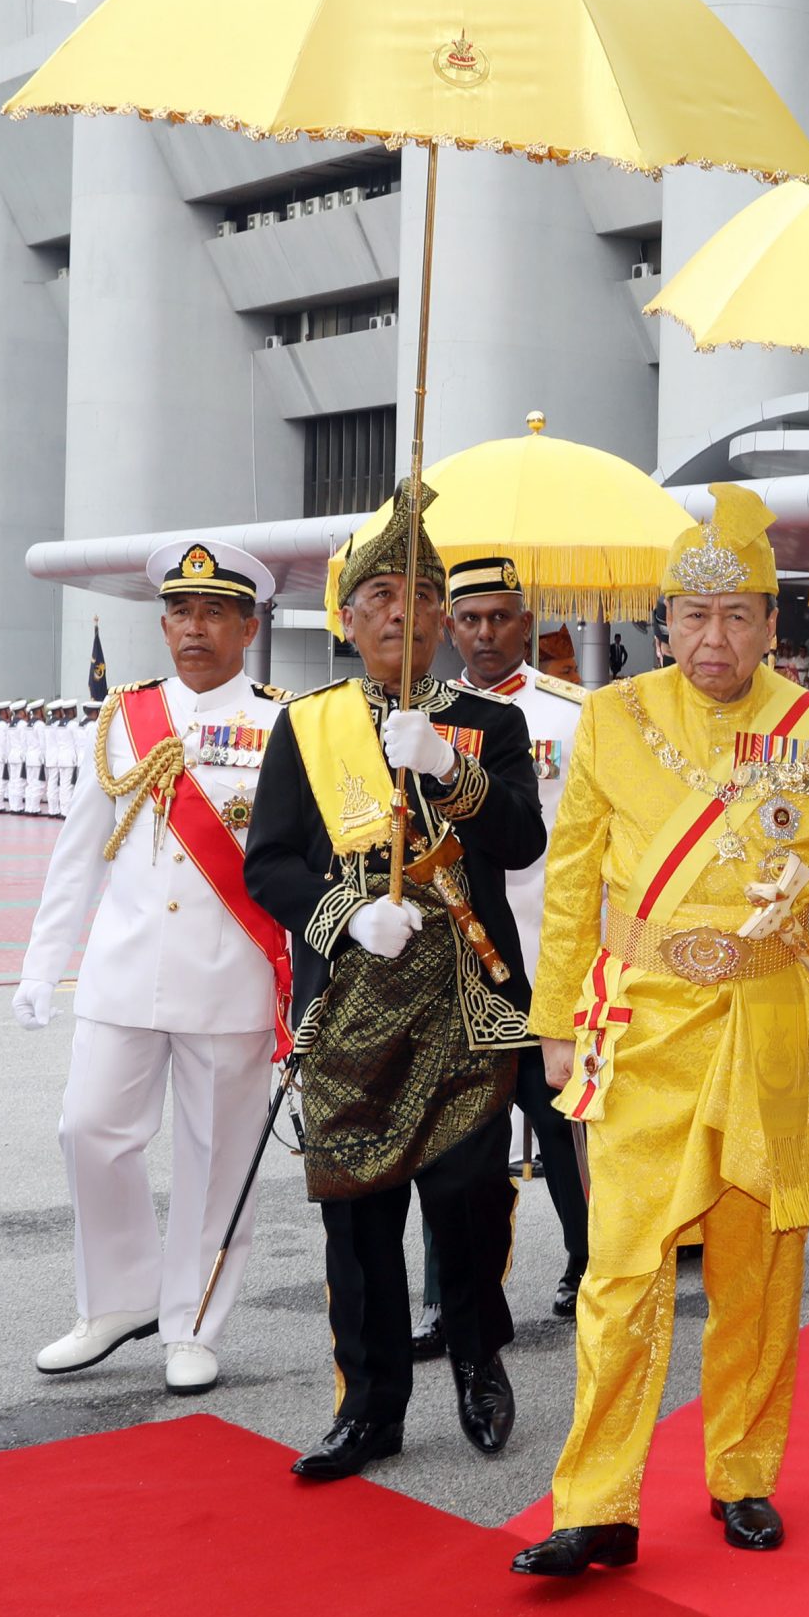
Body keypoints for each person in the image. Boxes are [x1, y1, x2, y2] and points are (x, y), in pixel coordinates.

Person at [508, 487, 809, 1577]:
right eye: (690, 614)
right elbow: (574, 876)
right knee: (619, 1269)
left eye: (736, 616)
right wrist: (552, 1026)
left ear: (774, 623)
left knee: (758, 1268)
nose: (711, 638)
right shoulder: (614, 717)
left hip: (769, 1019)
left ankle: (741, 1470)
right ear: (662, 619)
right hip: (641, 1024)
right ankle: (595, 1501)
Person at [244, 480, 545, 1482]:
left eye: (419, 599)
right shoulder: (308, 724)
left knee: (468, 1199)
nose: (399, 615)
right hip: (351, 1008)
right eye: (378, 598)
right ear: (346, 616)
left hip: (466, 999)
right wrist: (341, 917)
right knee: (356, 1213)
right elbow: (273, 860)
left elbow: (520, 836)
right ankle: (369, 1403)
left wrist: (450, 771)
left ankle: (475, 1354)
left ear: (441, 621)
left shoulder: (484, 724)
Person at [13, 542, 290, 1398]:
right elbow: (77, 858)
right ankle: (118, 1301)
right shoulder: (123, 718)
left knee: (218, 1164)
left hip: (232, 978)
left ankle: (192, 1324)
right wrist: (41, 964)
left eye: (215, 613)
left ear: (250, 625)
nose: (194, 628)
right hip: (123, 974)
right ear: (164, 622)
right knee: (88, 1130)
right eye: (180, 612)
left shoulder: (287, 724)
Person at [441, 553, 591, 1323]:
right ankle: (456, 1293)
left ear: (527, 625)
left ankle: (587, 1265)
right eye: (469, 619)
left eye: (501, 617)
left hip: (554, 952)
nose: (485, 632)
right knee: (457, 1142)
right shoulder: (420, 719)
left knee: (565, 1128)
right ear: (449, 627)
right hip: (462, 965)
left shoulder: (575, 713)